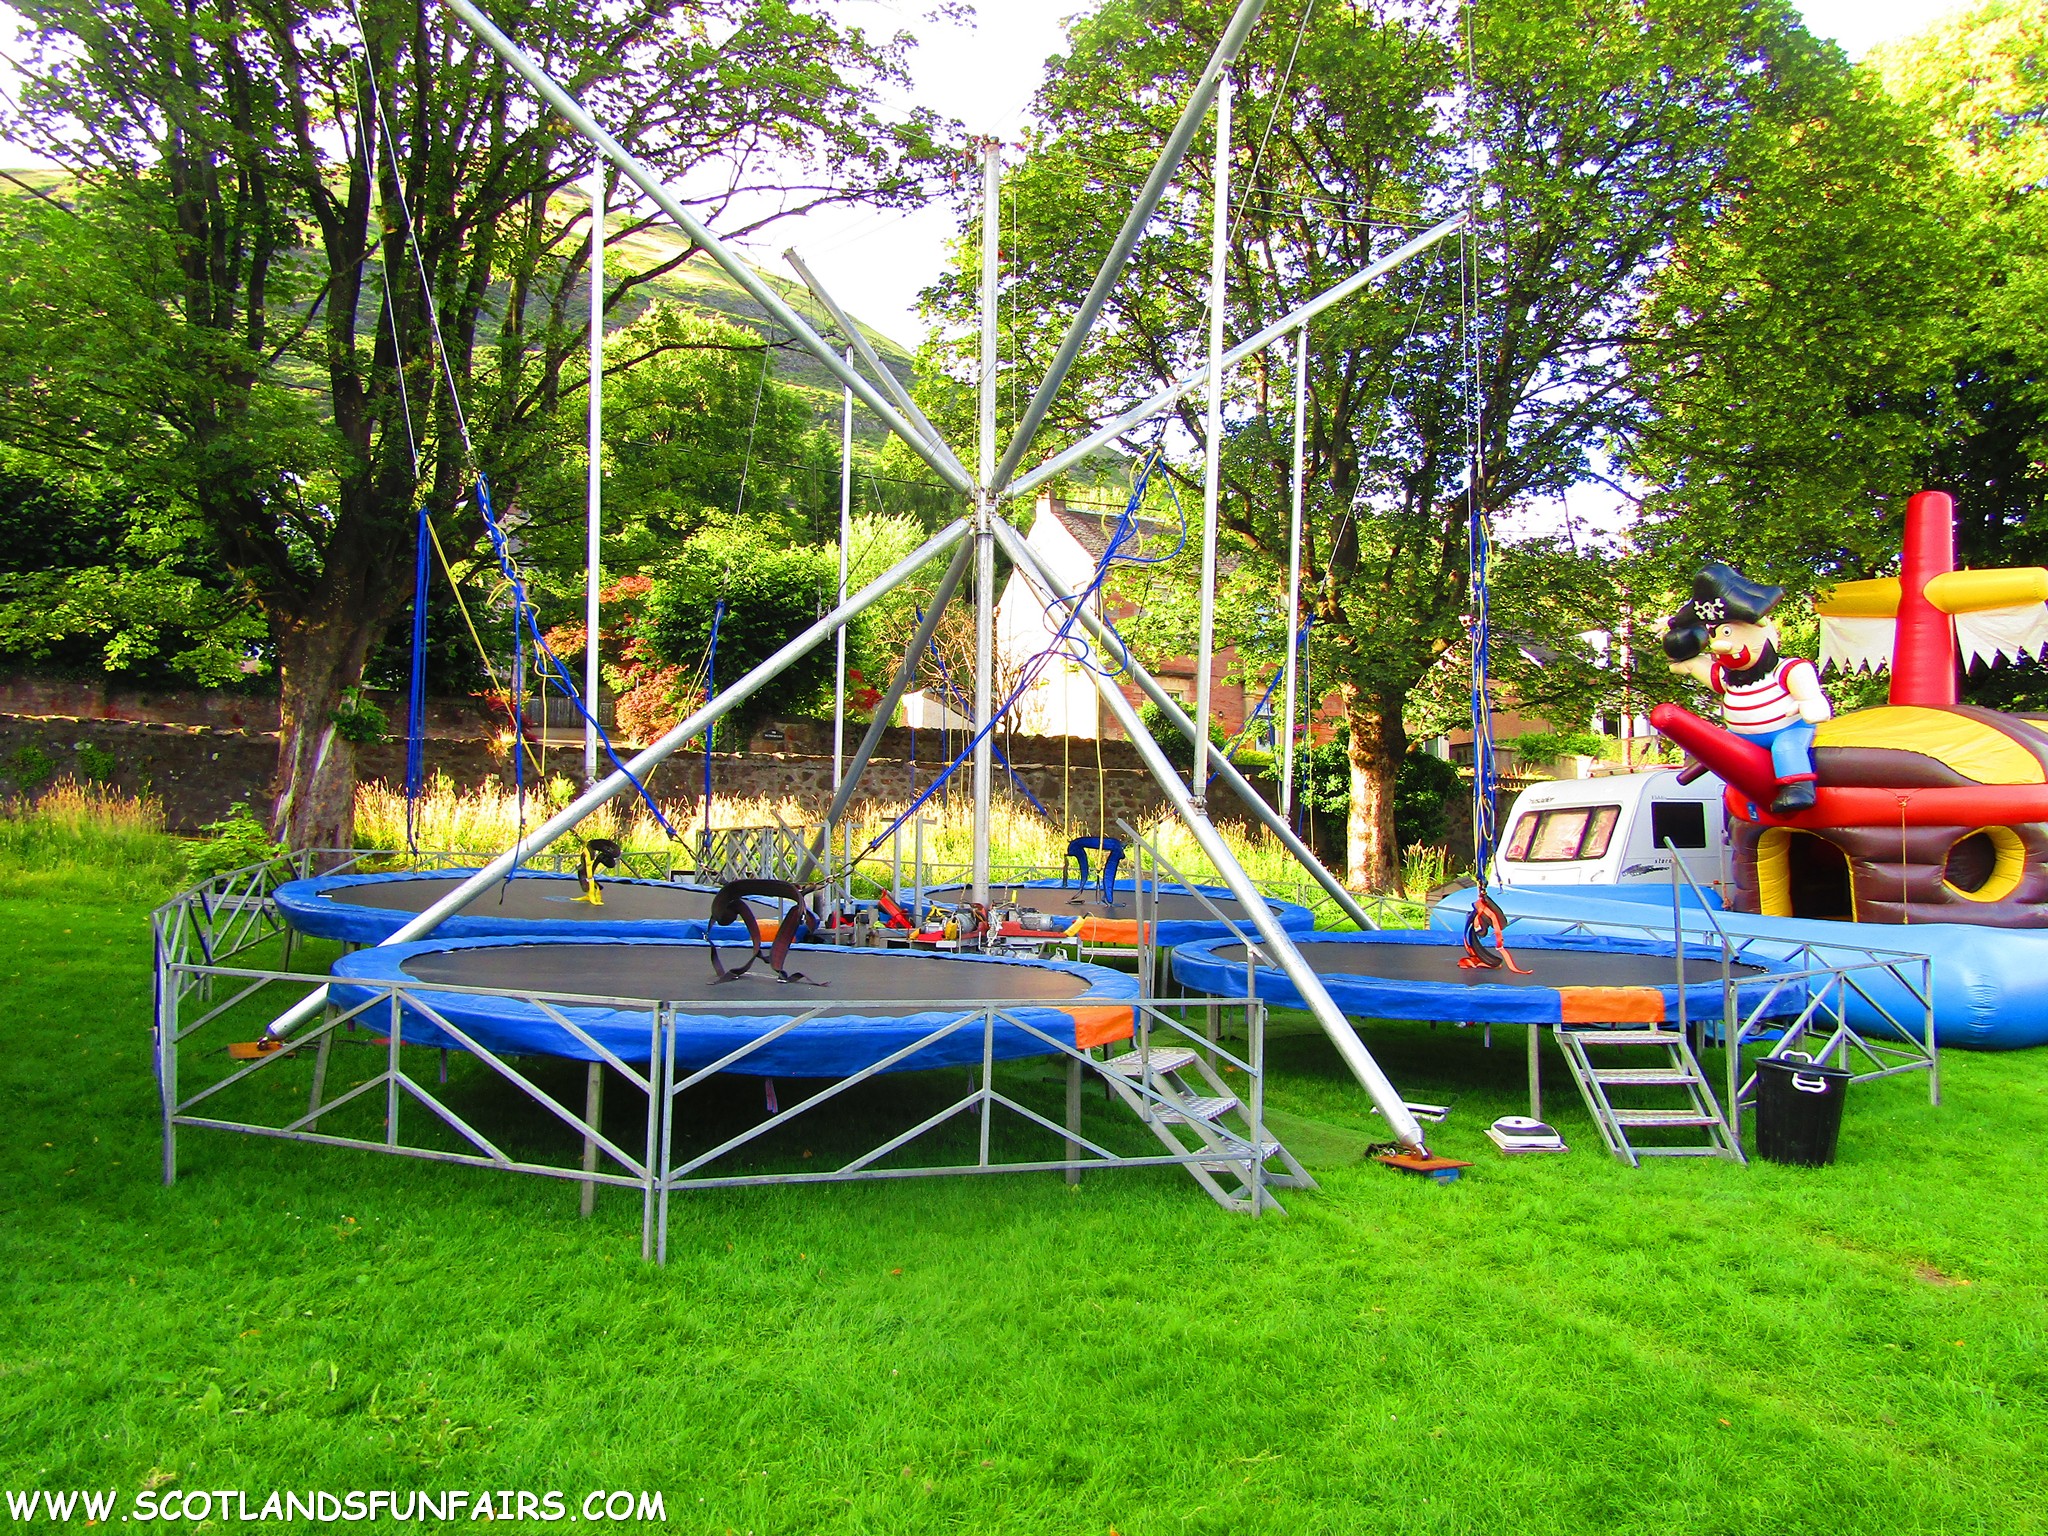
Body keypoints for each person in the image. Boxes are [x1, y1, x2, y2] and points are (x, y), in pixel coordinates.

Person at [1663, 563, 1832, 815]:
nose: (1720, 645)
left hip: (1785, 730)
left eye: (1728, 633)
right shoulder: (1727, 676)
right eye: (1718, 634)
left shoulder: (1786, 669)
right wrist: (1685, 655)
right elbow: (1697, 668)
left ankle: (1798, 788)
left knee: (1786, 748)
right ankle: (1719, 781)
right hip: (1741, 736)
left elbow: (1810, 695)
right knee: (1719, 749)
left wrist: (1810, 703)